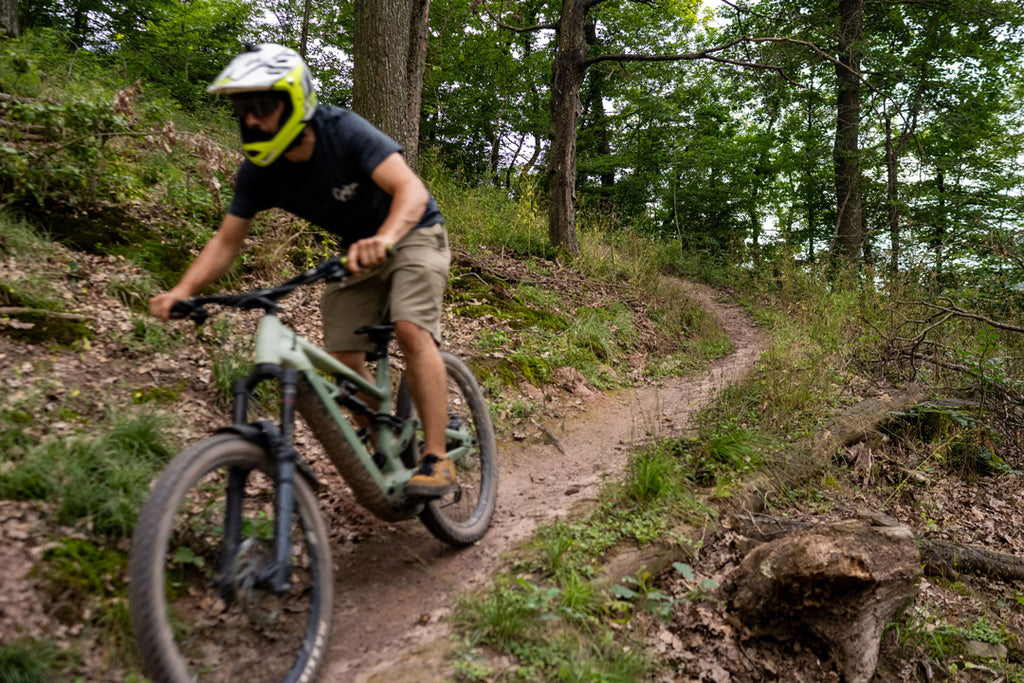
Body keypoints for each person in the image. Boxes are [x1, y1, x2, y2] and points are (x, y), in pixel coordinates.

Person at [149, 43, 456, 498]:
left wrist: (386, 238)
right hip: (357, 253)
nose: (251, 120)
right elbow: (226, 241)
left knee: (411, 331)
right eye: (242, 109)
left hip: (412, 233)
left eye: (262, 107)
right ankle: (383, 438)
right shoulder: (259, 170)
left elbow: (410, 189)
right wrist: (182, 289)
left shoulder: (344, 131)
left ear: (295, 101)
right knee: (344, 358)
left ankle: (437, 458)